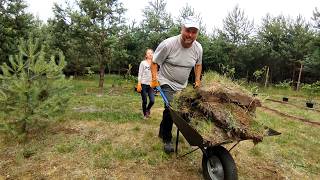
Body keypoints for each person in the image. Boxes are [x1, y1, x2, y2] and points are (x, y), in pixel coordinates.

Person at [150, 16, 203, 154]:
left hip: (182, 85)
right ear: (182, 29)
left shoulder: (198, 48)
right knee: (171, 109)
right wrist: (155, 79)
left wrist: (197, 80)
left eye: (194, 32)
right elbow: (154, 62)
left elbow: (198, 64)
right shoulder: (168, 44)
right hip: (166, 81)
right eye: (187, 30)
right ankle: (167, 139)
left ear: (197, 33)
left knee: (182, 110)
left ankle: (162, 131)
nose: (190, 35)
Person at [136, 49, 155, 119]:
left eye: (151, 53)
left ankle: (147, 109)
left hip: (151, 85)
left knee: (152, 100)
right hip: (143, 84)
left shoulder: (154, 63)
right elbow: (140, 74)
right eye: (148, 53)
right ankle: (145, 114)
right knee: (145, 100)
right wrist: (139, 83)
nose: (150, 54)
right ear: (146, 55)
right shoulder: (143, 63)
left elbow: (155, 74)